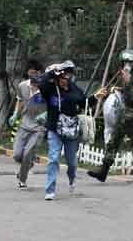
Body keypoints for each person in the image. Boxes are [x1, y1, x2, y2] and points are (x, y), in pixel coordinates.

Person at [38, 60, 101, 201]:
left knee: (71, 162)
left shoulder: (75, 90)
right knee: (53, 158)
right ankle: (50, 190)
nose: (64, 81)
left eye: (68, 77)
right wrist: (51, 72)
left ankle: (72, 179)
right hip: (54, 129)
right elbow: (41, 83)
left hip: (71, 131)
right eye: (62, 77)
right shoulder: (50, 89)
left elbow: (85, 102)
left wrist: (96, 97)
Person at [88, 48, 133, 183]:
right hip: (123, 115)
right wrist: (118, 89)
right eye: (125, 62)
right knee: (113, 142)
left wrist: (127, 82)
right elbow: (126, 94)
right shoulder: (121, 75)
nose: (127, 66)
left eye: (130, 63)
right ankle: (103, 171)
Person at [10, 59, 47, 189]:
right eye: (30, 73)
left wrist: (46, 114)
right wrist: (15, 114)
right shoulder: (22, 86)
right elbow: (20, 100)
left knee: (27, 153)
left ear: (40, 73)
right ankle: (28, 164)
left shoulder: (47, 87)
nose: (32, 76)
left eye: (34, 73)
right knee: (17, 155)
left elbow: (55, 104)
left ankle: (22, 179)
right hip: (24, 124)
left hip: (39, 127)